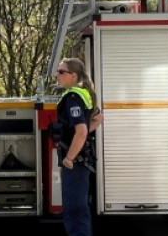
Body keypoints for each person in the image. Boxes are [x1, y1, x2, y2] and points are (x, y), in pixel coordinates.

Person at [53, 57, 102, 236]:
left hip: (76, 162)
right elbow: (97, 119)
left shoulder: (73, 97)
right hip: (82, 160)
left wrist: (69, 158)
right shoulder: (83, 93)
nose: (57, 75)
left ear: (73, 76)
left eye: (61, 72)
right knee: (79, 208)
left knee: (74, 210)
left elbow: (81, 131)